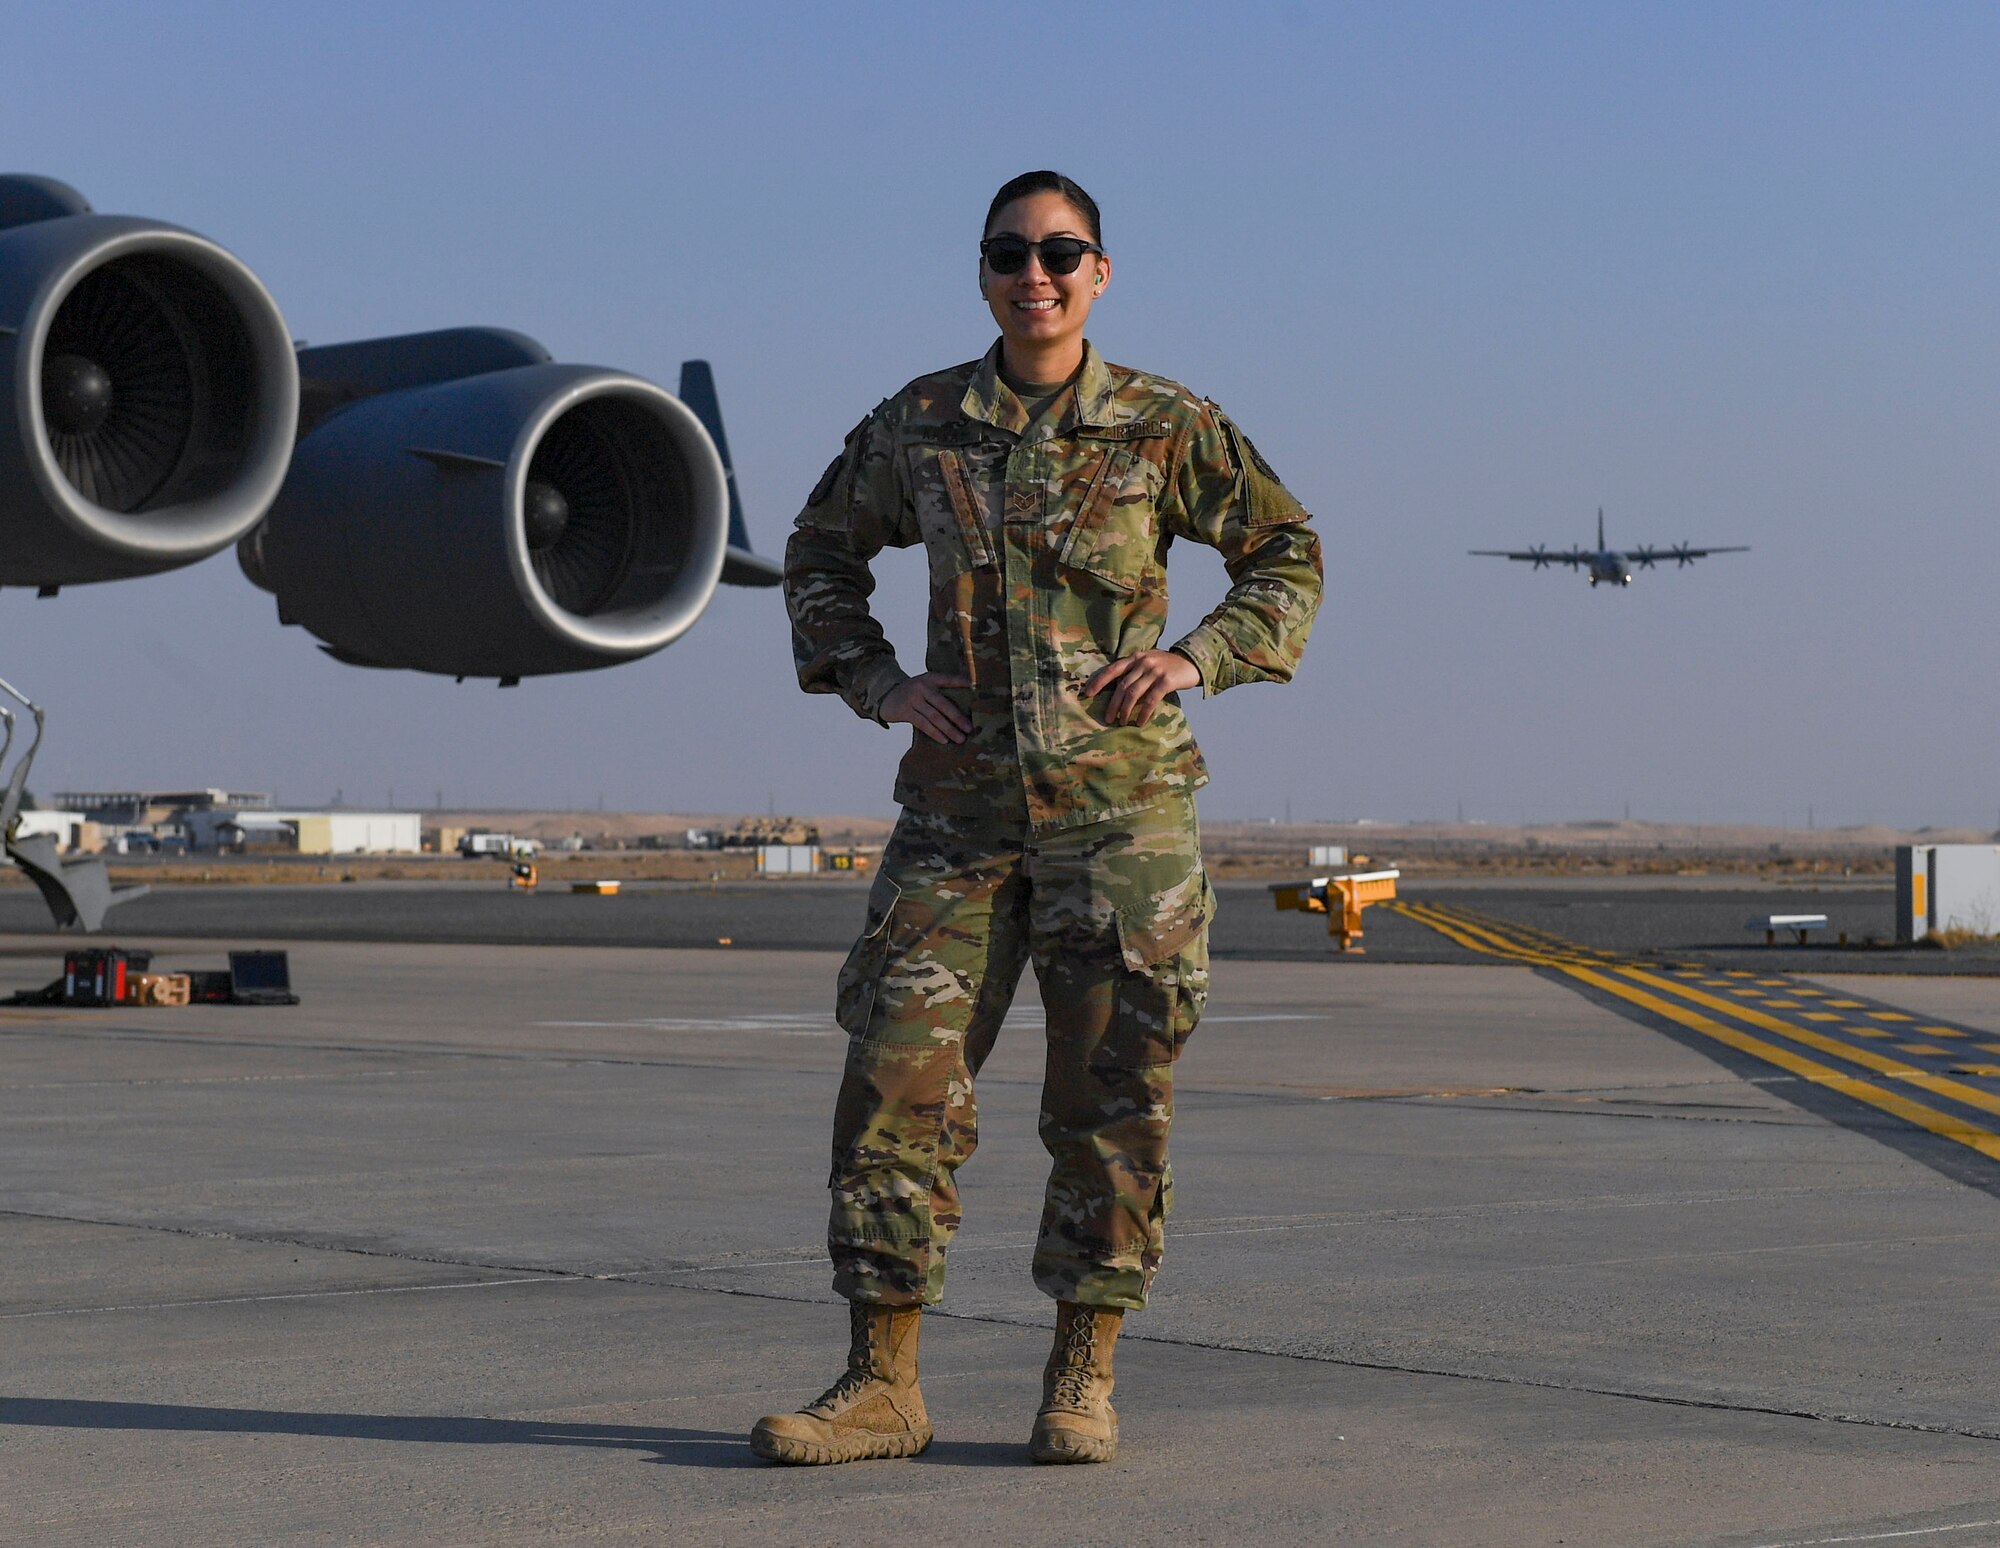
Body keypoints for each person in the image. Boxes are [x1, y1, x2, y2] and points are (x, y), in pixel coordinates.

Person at [753, 170, 1321, 1466]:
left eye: (1063, 253)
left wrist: (1202, 658)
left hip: (1120, 822)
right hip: (956, 818)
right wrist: (879, 682)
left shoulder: (1165, 425)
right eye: (1012, 253)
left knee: (1112, 1100)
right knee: (895, 1079)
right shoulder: (924, 422)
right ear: (985, 272)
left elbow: (1285, 550)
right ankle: (883, 1383)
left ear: (1100, 272)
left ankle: (1082, 1378)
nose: (1037, 274)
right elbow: (818, 551)